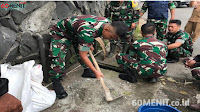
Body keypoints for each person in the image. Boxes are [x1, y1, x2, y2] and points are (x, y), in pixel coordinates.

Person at [49, 15, 128, 99]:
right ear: (107, 29)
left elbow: (91, 34)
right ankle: (56, 82)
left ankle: (87, 71)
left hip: (77, 33)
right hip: (60, 33)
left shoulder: (107, 23)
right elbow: (83, 55)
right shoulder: (88, 32)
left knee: (86, 51)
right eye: (111, 37)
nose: (111, 40)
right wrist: (96, 71)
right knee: (58, 59)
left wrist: (88, 43)